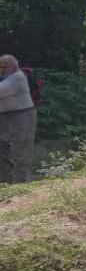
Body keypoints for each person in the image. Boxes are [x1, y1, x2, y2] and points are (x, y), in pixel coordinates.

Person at [0, 55, 36, 183]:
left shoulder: (18, 77)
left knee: (20, 151)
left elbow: (2, 90)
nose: (1, 69)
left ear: (14, 66)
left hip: (22, 116)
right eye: (0, 66)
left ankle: (22, 183)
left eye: (4, 67)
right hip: (5, 117)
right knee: (3, 151)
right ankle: (5, 182)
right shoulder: (6, 77)